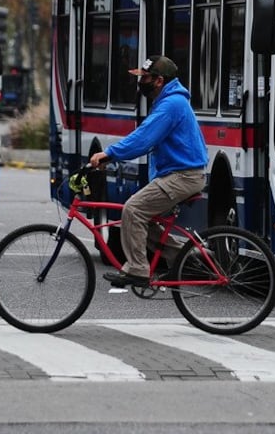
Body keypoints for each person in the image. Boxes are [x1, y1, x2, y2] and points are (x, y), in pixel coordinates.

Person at [88, 55, 208, 288]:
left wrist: (109, 154)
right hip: (180, 175)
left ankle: (137, 270)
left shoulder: (171, 105)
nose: (140, 83)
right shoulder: (169, 101)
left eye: (144, 78)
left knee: (133, 210)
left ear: (159, 80)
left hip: (182, 177)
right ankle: (187, 258)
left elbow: (143, 139)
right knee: (145, 220)